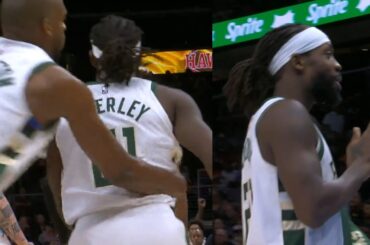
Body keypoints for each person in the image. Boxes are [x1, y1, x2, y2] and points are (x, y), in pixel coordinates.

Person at [46, 15, 212, 245]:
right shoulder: (169, 99)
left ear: (92, 59)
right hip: (157, 227)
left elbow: (53, 180)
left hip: (91, 231)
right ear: (139, 58)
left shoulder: (62, 105)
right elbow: (211, 154)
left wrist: (69, 233)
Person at [0, 0, 186, 198]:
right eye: (62, 20)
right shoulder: (57, 84)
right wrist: (177, 182)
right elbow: (123, 172)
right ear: (47, 26)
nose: (64, 26)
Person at [223, 23, 370, 244]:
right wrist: (362, 166)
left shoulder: (275, 116)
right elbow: (313, 210)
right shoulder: (286, 113)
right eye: (328, 55)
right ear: (298, 61)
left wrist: (352, 171)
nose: (338, 65)